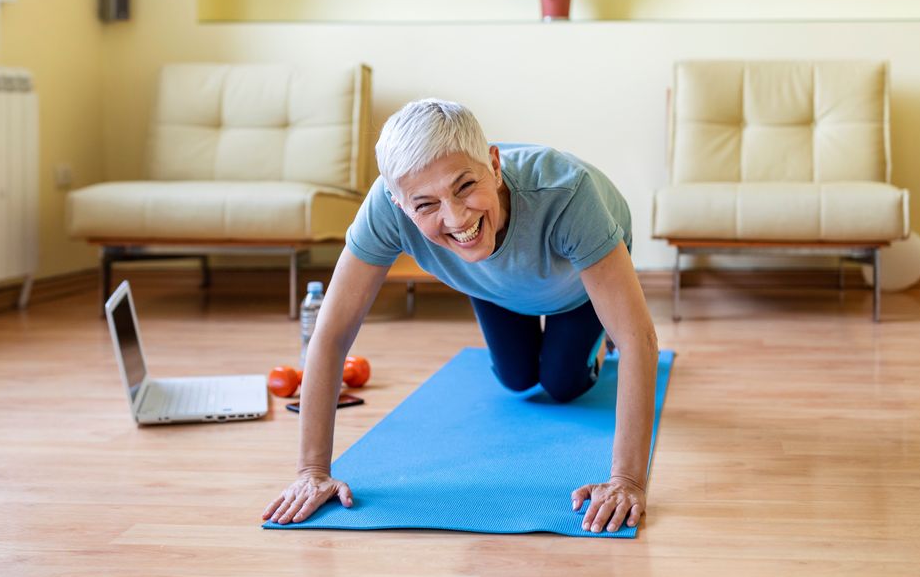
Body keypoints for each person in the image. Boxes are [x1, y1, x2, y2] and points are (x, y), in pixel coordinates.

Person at [262, 99, 659, 534]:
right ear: (397, 202)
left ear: (494, 164)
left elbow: (638, 338)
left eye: (465, 185)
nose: (456, 216)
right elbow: (332, 332)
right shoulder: (385, 210)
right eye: (426, 205)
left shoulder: (567, 194)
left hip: (574, 288)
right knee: (517, 379)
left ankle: (595, 343)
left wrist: (626, 481)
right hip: (490, 279)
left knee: (561, 384)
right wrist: (311, 471)